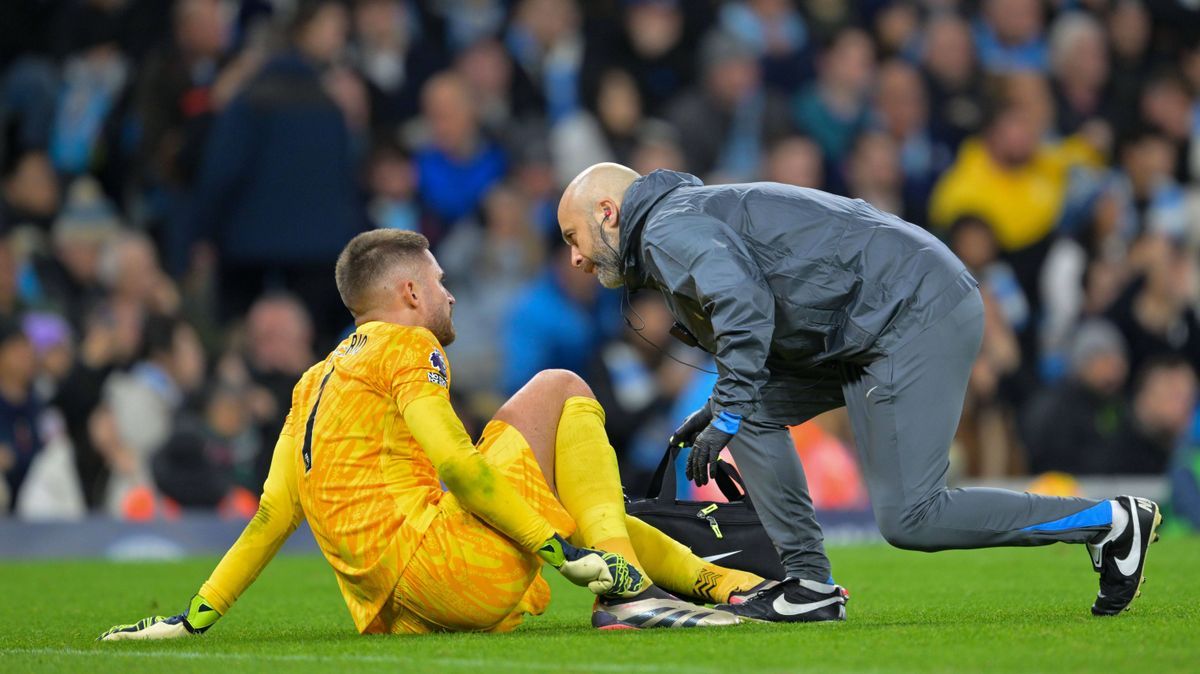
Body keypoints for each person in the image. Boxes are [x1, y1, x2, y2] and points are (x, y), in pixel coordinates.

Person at [557, 162, 1164, 623]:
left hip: (909, 312)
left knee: (911, 517)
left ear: (609, 212)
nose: (576, 257)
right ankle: (809, 586)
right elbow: (775, 299)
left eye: (573, 236)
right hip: (873, 318)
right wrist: (725, 407)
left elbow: (744, 306)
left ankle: (1111, 520)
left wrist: (731, 406)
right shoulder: (682, 216)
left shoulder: (665, 227)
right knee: (757, 413)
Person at [99, 230, 764, 640]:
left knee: (586, 507)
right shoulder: (408, 347)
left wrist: (194, 618)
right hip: (448, 566)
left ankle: (720, 584)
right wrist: (559, 553)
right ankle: (631, 598)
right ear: (411, 293)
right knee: (561, 386)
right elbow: (458, 468)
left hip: (402, 612)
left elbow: (272, 516)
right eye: (442, 282)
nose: (451, 295)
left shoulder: (314, 383)